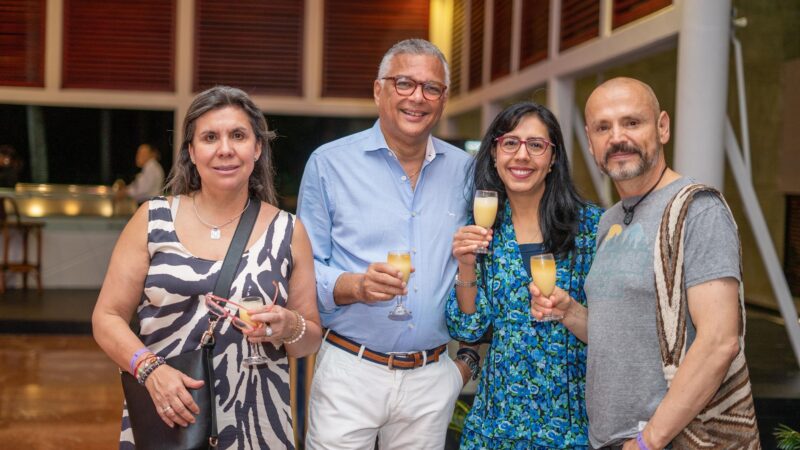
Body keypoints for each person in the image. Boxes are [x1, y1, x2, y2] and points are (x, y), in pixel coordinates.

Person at [533, 77, 757, 449]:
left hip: (671, 439)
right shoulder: (610, 220)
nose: (617, 137)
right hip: (612, 439)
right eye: (603, 128)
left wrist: (647, 440)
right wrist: (570, 312)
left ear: (662, 127)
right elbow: (621, 334)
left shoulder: (699, 210)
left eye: (632, 122)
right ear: (590, 142)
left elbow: (720, 341)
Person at [92, 85, 322, 449]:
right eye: (210, 137)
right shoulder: (152, 219)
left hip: (257, 424)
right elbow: (106, 318)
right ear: (191, 151)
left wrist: (289, 326)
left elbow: (309, 339)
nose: (225, 149)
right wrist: (150, 370)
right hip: (168, 416)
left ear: (257, 148)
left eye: (238, 136)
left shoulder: (288, 231)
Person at [298, 38, 474, 449]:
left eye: (431, 88)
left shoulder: (466, 171)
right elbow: (303, 269)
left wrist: (462, 367)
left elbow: (479, 262)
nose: (418, 97)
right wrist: (355, 285)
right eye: (404, 83)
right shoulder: (329, 164)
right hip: (350, 371)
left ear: (443, 99)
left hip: (430, 377)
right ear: (379, 91)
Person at [447, 102, 602, 449]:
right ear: (494, 153)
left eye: (536, 145)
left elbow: (613, 332)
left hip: (571, 428)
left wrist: (570, 311)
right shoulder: (482, 229)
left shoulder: (591, 228)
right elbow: (468, 329)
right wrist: (466, 264)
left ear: (553, 158)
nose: (522, 155)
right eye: (510, 143)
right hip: (496, 425)